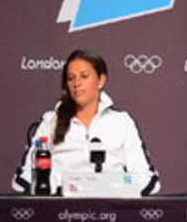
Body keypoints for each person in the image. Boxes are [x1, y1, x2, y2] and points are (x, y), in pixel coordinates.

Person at [13, 49, 158, 195]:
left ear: (101, 81)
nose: (77, 83)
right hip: (59, 208)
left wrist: (116, 191)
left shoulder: (122, 122)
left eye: (84, 76)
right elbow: (22, 180)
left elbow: (147, 179)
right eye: (70, 78)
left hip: (111, 208)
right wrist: (58, 191)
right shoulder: (50, 121)